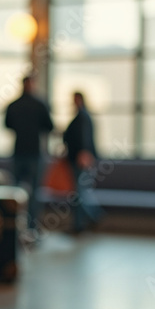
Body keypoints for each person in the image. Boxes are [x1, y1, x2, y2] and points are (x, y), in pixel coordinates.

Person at [4, 74, 54, 230]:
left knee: (16, 191)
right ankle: (31, 227)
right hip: (34, 153)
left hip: (19, 152)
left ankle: (16, 226)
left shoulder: (13, 105)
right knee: (35, 193)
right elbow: (50, 127)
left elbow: (7, 125)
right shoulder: (40, 105)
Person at [62, 91, 103, 234]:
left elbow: (84, 138)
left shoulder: (83, 117)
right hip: (75, 159)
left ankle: (95, 215)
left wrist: (84, 154)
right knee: (78, 194)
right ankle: (78, 225)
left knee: (80, 194)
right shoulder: (80, 116)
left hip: (81, 161)